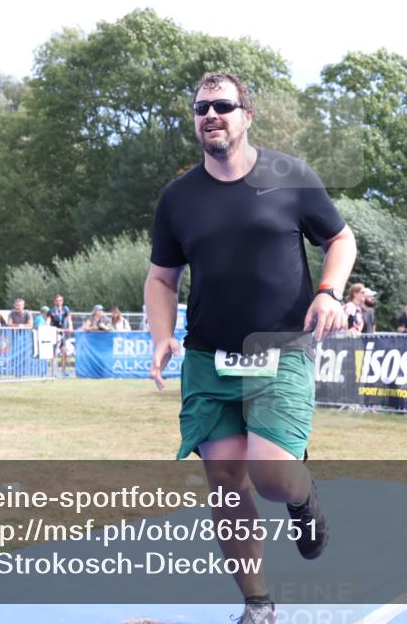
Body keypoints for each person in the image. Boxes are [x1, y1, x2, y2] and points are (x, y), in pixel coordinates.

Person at [146, 72, 355, 624]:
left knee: (270, 475)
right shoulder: (179, 198)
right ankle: (257, 603)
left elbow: (340, 237)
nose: (210, 114)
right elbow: (161, 278)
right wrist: (162, 334)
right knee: (224, 479)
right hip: (208, 356)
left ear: (247, 115)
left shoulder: (290, 176)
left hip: (281, 346)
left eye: (222, 105)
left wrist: (329, 292)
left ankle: (302, 492)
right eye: (200, 108)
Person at [49, 294, 74, 374]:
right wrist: (54, 329)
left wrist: (70, 327)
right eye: (57, 300)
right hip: (54, 334)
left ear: (62, 301)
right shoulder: (51, 311)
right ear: (54, 301)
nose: (58, 302)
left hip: (62, 334)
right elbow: (48, 323)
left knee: (64, 352)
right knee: (54, 353)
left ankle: (63, 372)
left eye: (60, 300)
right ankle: (54, 372)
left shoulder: (65, 309)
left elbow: (69, 319)